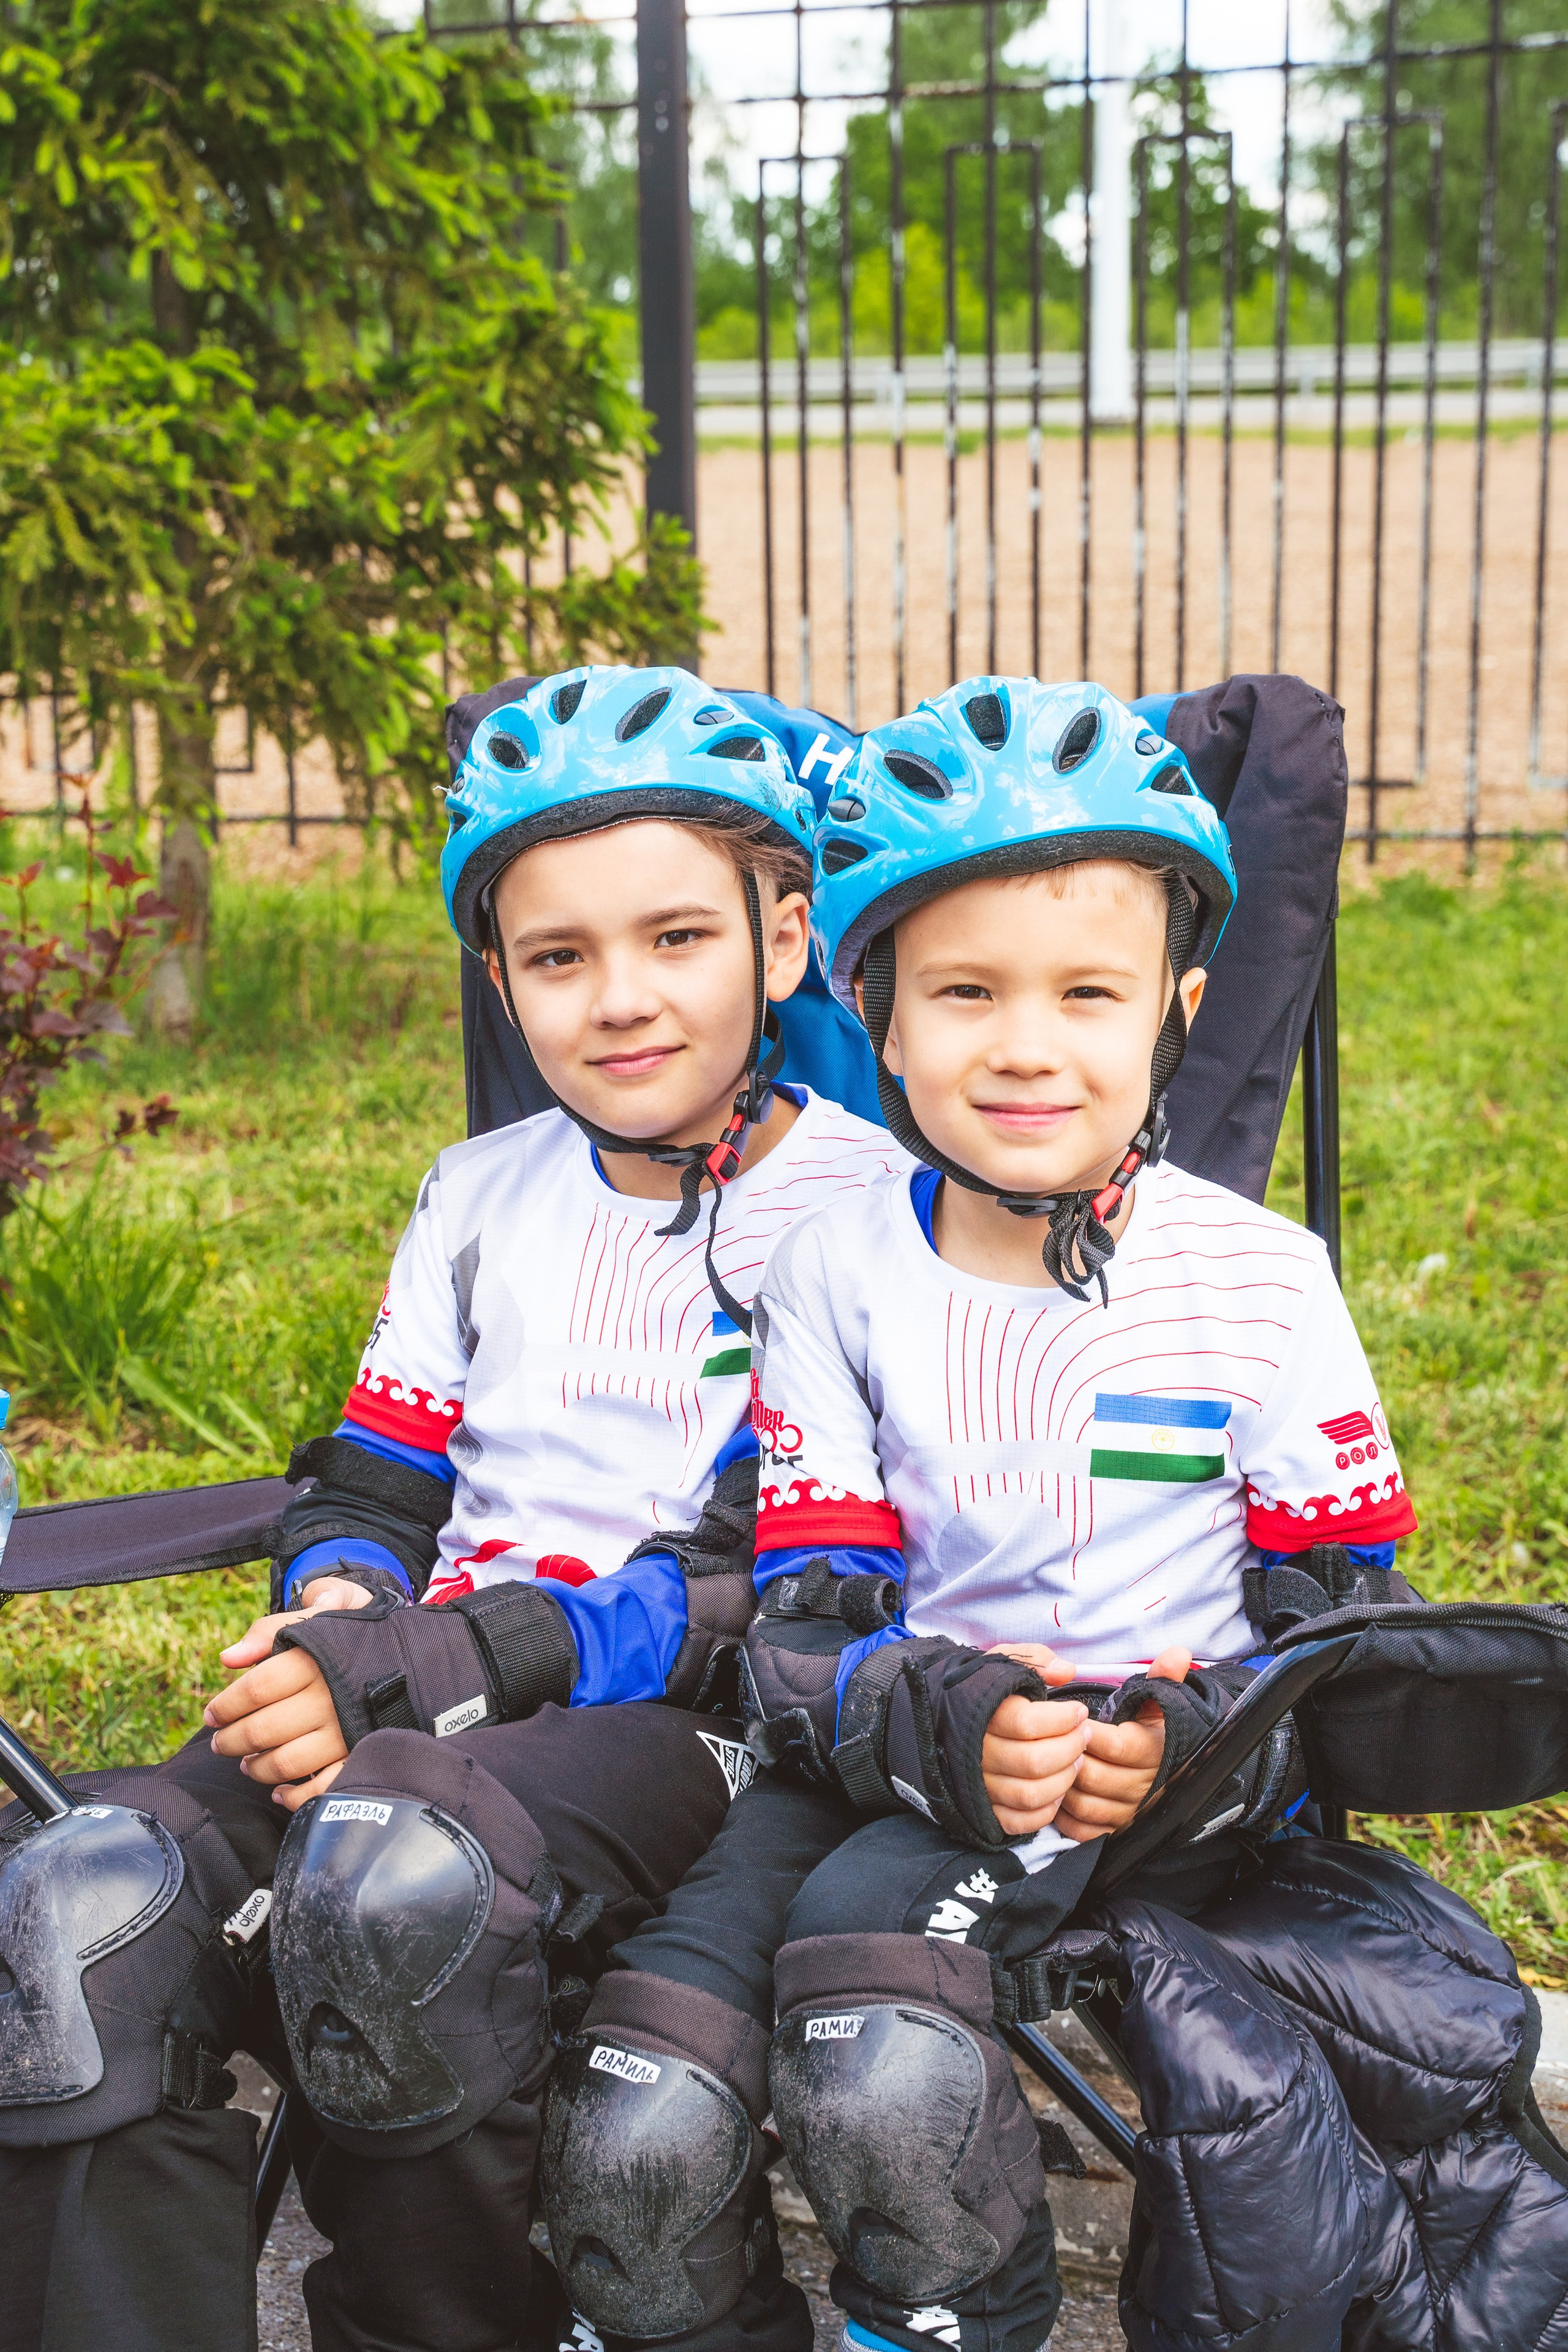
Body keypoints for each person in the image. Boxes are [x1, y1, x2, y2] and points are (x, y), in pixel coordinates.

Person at [0, 665, 907, 2352]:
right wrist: (348, 1602)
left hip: (691, 1729)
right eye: (559, 956)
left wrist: (435, 1670)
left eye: (677, 940)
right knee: (79, 1911)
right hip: (418, 1700)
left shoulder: (880, 1215)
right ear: (500, 978)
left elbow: (765, 1582)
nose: (619, 999)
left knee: (397, 1875)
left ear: (785, 941)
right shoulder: (480, 1193)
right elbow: (370, 1477)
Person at [537, 674, 1422, 2352]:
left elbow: (1350, 1637)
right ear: (877, 1016)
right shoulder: (836, 1271)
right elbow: (806, 1621)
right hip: (898, 1748)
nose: (1025, 1044)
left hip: (1168, 1769)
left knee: (882, 2054)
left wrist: (1197, 1736)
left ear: (1180, 1002)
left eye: (1087, 991)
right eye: (964, 992)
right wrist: (929, 1712)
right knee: (636, 2109)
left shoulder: (1259, 1283)